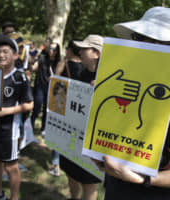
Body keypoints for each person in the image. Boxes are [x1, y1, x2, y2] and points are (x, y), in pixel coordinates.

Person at [93, 6, 170, 200]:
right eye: (140, 37)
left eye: (157, 41)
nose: (146, 45)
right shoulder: (123, 81)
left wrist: (142, 180)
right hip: (115, 189)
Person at [0, 34, 33, 200]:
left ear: (15, 56)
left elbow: (29, 105)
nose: (1, 55)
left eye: (5, 51)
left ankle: (14, 197)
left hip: (8, 130)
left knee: (11, 167)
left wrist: (4, 111)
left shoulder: (19, 77)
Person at [59, 35, 104, 200]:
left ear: (96, 53)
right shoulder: (80, 73)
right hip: (73, 135)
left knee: (88, 181)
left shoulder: (108, 78)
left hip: (92, 140)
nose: (80, 51)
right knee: (71, 173)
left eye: (84, 48)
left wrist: (102, 90)